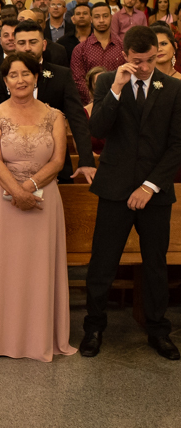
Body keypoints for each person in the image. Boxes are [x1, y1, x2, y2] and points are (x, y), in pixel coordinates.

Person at [81, 26, 181, 361]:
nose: (145, 66)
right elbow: (97, 131)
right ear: (125, 56)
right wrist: (118, 89)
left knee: (155, 264)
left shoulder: (172, 88)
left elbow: (177, 144)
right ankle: (93, 328)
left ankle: (158, 330)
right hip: (114, 187)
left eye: (151, 59)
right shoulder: (108, 82)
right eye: (138, 61)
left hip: (154, 191)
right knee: (102, 262)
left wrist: (150, 186)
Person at [0, 53, 76, 362]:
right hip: (1, 199)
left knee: (38, 264)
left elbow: (58, 161)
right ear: (4, 82)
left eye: (26, 74)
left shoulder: (54, 116)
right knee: (4, 264)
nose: (20, 80)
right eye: (13, 75)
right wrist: (15, 191)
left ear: (36, 77)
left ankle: (39, 336)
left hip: (43, 197)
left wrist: (29, 188)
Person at [0, 20, 96, 184]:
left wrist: (86, 161)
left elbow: (77, 119)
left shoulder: (62, 75)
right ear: (14, 45)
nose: (27, 48)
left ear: (44, 44)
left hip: (56, 162)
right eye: (22, 43)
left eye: (33, 42)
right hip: (13, 166)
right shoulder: (1, 79)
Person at [71, 3, 125, 104]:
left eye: (105, 16)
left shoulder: (123, 47)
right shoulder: (80, 49)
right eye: (97, 17)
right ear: (91, 19)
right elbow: (78, 80)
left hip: (120, 102)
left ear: (111, 17)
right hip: (90, 104)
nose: (101, 20)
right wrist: (95, 99)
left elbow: (128, 76)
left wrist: (114, 97)